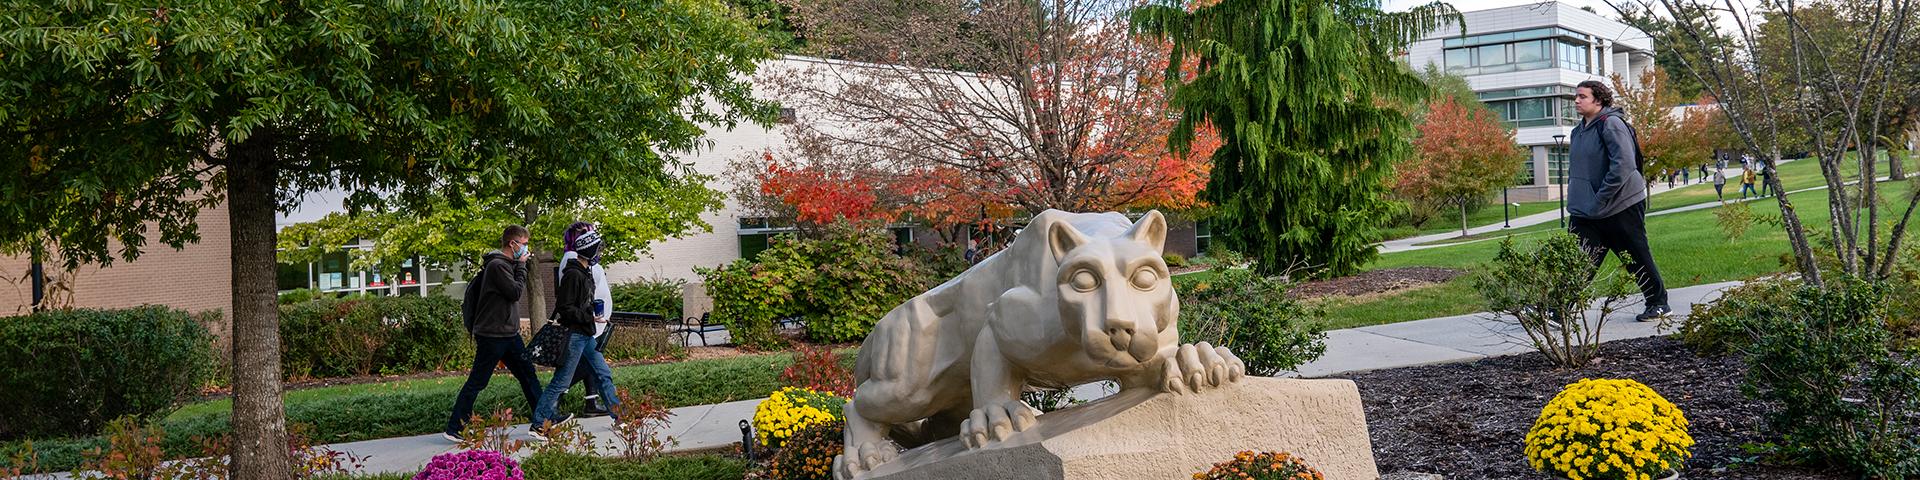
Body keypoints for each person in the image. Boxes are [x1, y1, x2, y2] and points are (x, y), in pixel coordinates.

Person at [1567, 80, 1669, 322]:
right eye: (1576, 96)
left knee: (1635, 256)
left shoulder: (1611, 124)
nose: (1576, 101)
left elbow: (1623, 166)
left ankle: (1658, 303)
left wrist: (1600, 198)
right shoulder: (1577, 131)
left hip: (1621, 205)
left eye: (1582, 96)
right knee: (1578, 261)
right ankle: (1558, 309)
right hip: (1587, 211)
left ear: (1598, 100)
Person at [444, 225, 544, 442]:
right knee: (478, 381)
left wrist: (518, 265)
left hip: (508, 333)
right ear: (512, 244)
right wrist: (521, 265)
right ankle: (455, 427)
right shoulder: (498, 266)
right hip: (492, 334)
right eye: (524, 244)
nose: (526, 248)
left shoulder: (505, 265)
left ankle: (545, 420)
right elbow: (515, 292)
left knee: (528, 375)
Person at [529, 222, 622, 439]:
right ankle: (539, 423)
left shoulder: (584, 271)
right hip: (575, 335)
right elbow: (565, 307)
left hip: (586, 334)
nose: (600, 253)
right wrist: (589, 316)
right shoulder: (573, 274)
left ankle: (621, 417)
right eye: (597, 249)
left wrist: (592, 314)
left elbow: (581, 303)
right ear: (589, 251)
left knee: (603, 374)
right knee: (561, 382)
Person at [559, 223, 616, 418]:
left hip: (591, 325)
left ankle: (616, 414)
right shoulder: (573, 262)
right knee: (565, 377)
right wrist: (590, 315)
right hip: (582, 326)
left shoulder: (585, 264)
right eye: (585, 235)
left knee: (600, 371)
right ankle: (545, 414)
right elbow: (569, 302)